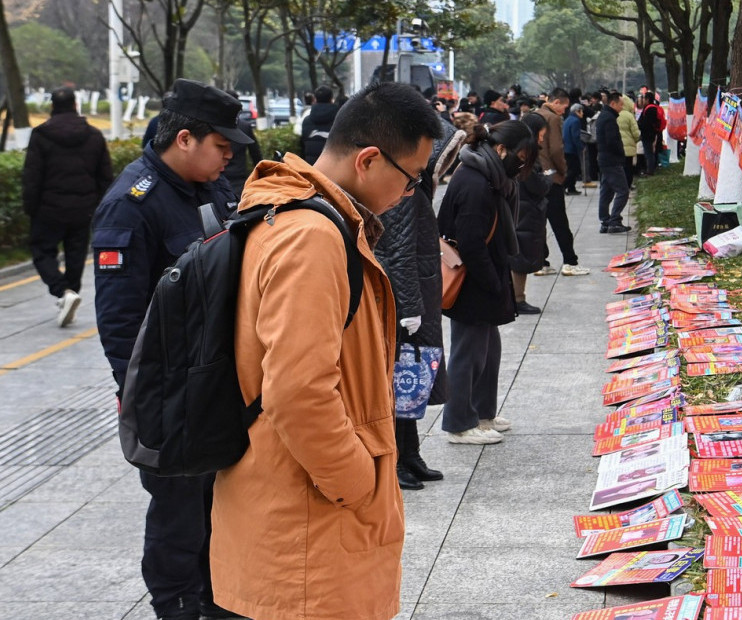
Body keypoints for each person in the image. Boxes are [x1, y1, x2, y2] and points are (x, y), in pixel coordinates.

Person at [209, 82, 443, 620]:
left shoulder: (290, 215)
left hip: (295, 517)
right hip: (307, 533)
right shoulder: (311, 236)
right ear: (368, 159)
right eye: (410, 179)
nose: (411, 194)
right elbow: (297, 390)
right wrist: (358, 482)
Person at [92, 78, 252, 620]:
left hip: (215, 379)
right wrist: (140, 394)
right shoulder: (131, 205)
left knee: (217, 503)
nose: (228, 158)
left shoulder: (211, 187)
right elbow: (119, 320)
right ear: (185, 139)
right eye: (221, 147)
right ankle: (177, 605)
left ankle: (216, 598)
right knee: (178, 510)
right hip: (169, 390)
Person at [375, 114, 464, 490]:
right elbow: (396, 253)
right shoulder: (402, 191)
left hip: (419, 297)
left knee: (412, 382)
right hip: (407, 303)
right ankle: (396, 461)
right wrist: (408, 308)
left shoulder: (415, 185)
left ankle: (410, 454)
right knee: (400, 383)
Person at [437, 120, 536, 444]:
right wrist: (494, 282)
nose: (521, 162)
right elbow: (471, 242)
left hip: (485, 276)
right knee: (468, 354)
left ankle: (482, 414)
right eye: (520, 154)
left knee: (488, 351)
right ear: (501, 149)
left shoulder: (488, 175)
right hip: (473, 280)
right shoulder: (475, 182)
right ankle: (459, 424)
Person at [22, 86, 112, 327]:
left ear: (52, 107)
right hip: (83, 208)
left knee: (42, 251)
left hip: (48, 209)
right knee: (76, 254)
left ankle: (63, 292)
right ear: (75, 105)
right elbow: (105, 176)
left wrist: (30, 207)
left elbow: (32, 175)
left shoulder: (40, 135)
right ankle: (70, 291)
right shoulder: (93, 135)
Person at [536, 87, 589, 276]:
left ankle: (541, 262)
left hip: (533, 176)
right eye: (564, 107)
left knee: (538, 221)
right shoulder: (553, 118)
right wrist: (563, 171)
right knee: (559, 221)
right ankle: (570, 262)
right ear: (555, 102)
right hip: (550, 175)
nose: (564, 111)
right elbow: (557, 149)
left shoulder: (532, 116)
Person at [509, 113, 552, 315]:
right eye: (541, 135)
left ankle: (516, 298)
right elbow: (537, 185)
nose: (542, 139)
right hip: (525, 212)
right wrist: (547, 180)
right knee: (521, 257)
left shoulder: (519, 151)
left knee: (520, 255)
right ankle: (518, 299)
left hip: (523, 210)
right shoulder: (525, 156)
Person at [596, 90, 632, 234]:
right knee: (623, 191)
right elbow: (612, 141)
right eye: (620, 105)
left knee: (606, 191)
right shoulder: (609, 118)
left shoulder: (604, 116)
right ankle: (614, 221)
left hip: (604, 159)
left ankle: (605, 221)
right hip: (611, 160)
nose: (622, 108)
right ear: (613, 103)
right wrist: (620, 153)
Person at [223, 89, 262, 195]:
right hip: (239, 179)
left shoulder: (213, 128)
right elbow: (256, 154)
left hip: (219, 177)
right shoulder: (244, 126)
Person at [300, 85, 339, 163]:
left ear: (315, 99)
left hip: (311, 167)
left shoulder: (306, 121)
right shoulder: (340, 120)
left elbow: (302, 145)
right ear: (332, 99)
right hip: (334, 167)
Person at [617, 94, 640, 188]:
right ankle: (628, 185)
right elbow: (636, 133)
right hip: (629, 148)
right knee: (628, 168)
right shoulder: (629, 116)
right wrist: (635, 140)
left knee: (619, 168)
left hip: (617, 147)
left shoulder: (614, 114)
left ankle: (620, 185)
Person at [562, 103, 585, 195]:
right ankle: (564, 186)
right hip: (571, 149)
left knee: (571, 169)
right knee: (574, 170)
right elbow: (575, 136)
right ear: (577, 111)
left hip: (566, 148)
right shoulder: (575, 121)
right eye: (581, 111)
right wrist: (581, 147)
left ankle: (572, 188)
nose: (582, 113)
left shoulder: (568, 119)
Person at [637, 91, 662, 176]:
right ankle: (651, 168)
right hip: (651, 133)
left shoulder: (649, 109)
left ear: (647, 99)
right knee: (650, 152)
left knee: (649, 153)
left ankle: (650, 171)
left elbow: (645, 123)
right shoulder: (652, 108)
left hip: (647, 134)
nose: (642, 100)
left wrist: (639, 124)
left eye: (643, 98)